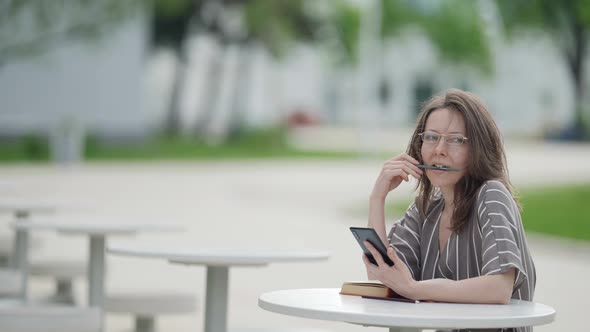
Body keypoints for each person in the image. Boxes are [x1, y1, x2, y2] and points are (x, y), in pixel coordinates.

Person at [363, 88, 536, 332]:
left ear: (477, 149)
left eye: (455, 140)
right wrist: (377, 197)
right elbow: (386, 277)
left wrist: (414, 289)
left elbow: (499, 288)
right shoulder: (425, 210)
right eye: (432, 137)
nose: (439, 149)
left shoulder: (492, 195)